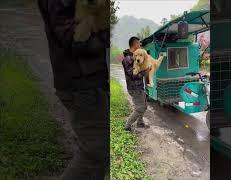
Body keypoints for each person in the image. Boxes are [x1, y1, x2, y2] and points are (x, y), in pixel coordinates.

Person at [37, 0, 109, 179]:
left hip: (89, 81)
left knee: (99, 152)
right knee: (96, 153)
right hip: (82, 85)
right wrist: (104, 30)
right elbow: (75, 42)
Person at [122, 37, 149, 131]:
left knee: (144, 105)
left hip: (139, 86)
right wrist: (144, 73)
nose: (140, 46)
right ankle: (127, 125)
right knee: (140, 107)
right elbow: (132, 75)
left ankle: (140, 123)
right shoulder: (128, 58)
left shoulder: (135, 56)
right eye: (139, 44)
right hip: (134, 87)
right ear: (135, 44)